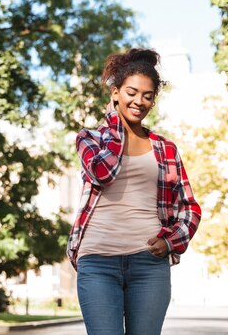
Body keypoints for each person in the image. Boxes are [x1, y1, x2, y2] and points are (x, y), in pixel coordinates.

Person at [66, 48, 202, 335]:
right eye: (131, 92)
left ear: (154, 101)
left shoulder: (165, 149)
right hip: (98, 261)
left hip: (149, 264)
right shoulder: (89, 139)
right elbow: (104, 172)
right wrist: (117, 127)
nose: (139, 101)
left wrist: (171, 241)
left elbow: (190, 207)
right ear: (115, 93)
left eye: (147, 95)